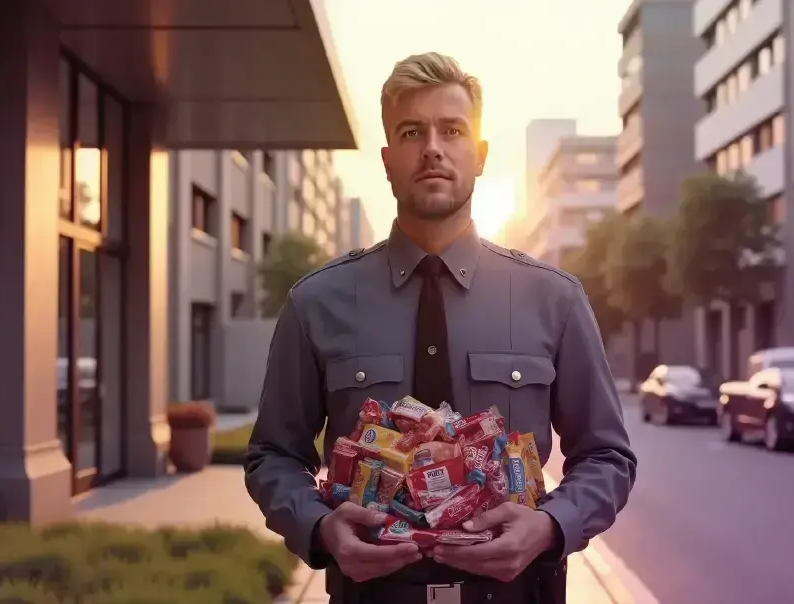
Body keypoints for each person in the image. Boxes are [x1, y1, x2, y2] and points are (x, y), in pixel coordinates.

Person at [245, 52, 637, 604]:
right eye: (412, 132)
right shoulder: (317, 302)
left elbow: (607, 457)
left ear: (478, 156)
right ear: (386, 159)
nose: (432, 146)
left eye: (451, 130)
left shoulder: (554, 298)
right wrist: (319, 527)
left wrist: (550, 527)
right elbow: (273, 455)